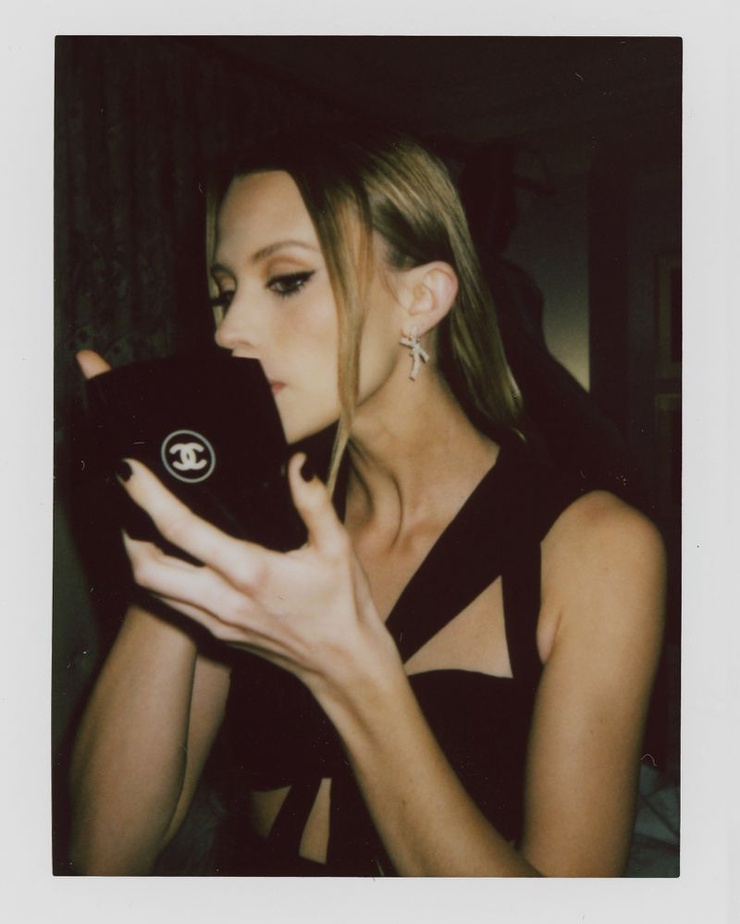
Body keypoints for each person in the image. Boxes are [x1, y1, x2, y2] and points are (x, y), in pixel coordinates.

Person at [69, 125, 665, 877]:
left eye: (286, 280)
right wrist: (180, 529)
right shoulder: (256, 523)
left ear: (421, 298)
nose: (229, 332)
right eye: (224, 293)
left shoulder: (598, 547)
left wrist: (350, 672)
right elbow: (102, 860)